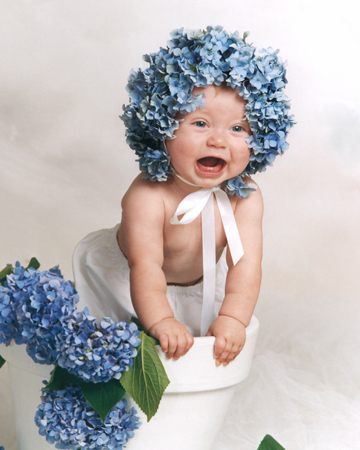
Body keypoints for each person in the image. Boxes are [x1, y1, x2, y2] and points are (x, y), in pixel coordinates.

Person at [73, 26, 294, 367]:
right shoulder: (148, 196)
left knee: (191, 355)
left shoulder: (245, 196)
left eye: (238, 129)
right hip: (125, 275)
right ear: (162, 129)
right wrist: (161, 319)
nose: (219, 141)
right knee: (112, 351)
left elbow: (246, 263)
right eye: (200, 123)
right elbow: (144, 265)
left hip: (200, 277)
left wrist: (234, 318)